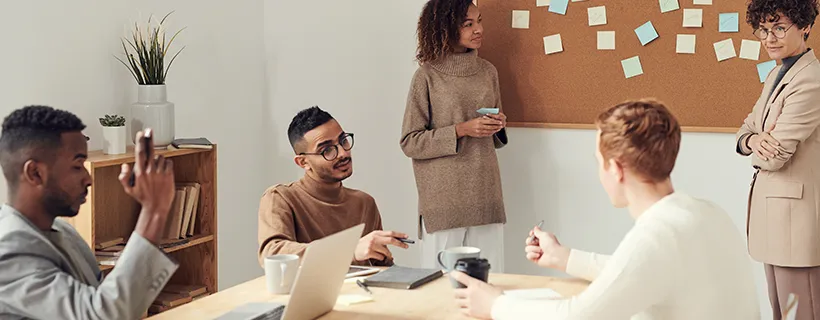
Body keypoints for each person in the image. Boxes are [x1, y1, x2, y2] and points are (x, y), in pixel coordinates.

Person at [452, 100, 760, 319]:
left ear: (615, 169)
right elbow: (638, 271)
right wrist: (565, 258)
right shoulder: (705, 213)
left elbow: (576, 316)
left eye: (598, 163)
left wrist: (494, 304)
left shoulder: (658, 235)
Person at [0, 105, 178, 319]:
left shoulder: (64, 231)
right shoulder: (8, 252)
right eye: (77, 166)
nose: (88, 178)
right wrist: (154, 210)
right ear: (35, 173)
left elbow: (104, 298)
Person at [400, 0, 508, 272]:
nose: (478, 29)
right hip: (444, 201)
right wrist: (461, 129)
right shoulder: (426, 76)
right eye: (468, 24)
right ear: (444, 27)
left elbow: (494, 137)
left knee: (490, 280)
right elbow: (410, 141)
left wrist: (497, 125)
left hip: (485, 192)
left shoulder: (488, 72)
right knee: (441, 284)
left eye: (479, 21)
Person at [735, 1, 820, 319]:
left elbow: (778, 155)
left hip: (795, 223)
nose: (769, 38)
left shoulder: (810, 80)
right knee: (781, 311)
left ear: (805, 27)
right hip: (775, 218)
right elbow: (746, 129)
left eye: (780, 28)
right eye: (763, 30)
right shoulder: (776, 74)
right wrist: (754, 139)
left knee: (801, 313)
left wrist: (756, 145)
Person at [257, 106, 409, 267]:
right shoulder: (280, 197)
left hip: (361, 291)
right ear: (303, 162)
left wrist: (383, 258)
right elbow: (272, 253)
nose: (343, 153)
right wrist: (347, 251)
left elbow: (382, 272)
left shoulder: (364, 203)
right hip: (310, 293)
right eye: (327, 150)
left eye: (343, 140)